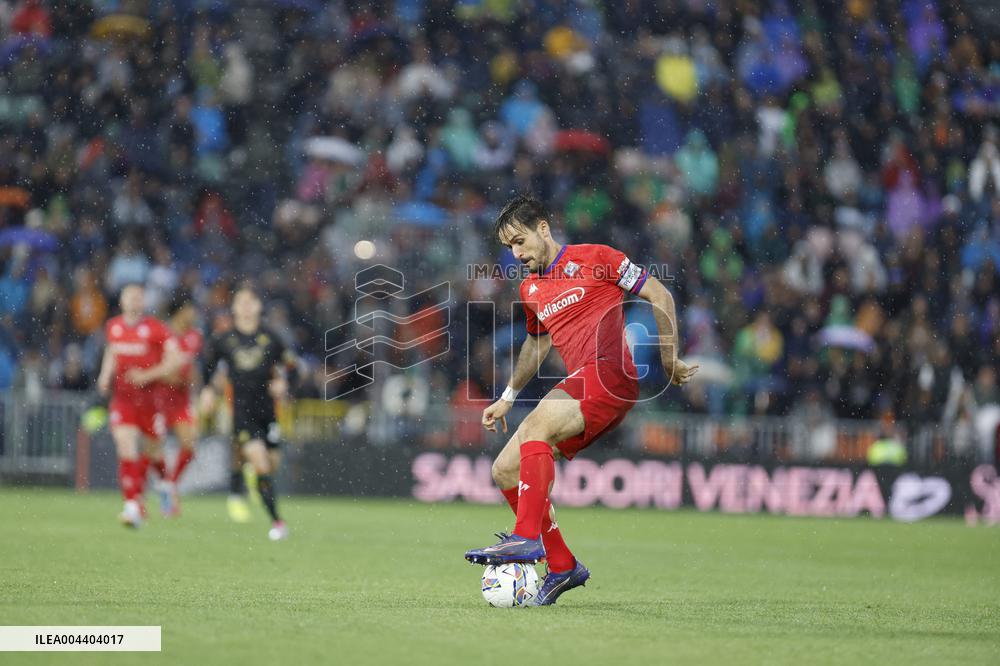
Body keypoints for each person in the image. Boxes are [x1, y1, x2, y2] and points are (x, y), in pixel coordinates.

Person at [464, 194, 699, 605]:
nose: (516, 254)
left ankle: (525, 538)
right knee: (503, 470)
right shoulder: (531, 288)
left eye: (520, 242)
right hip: (582, 381)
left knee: (537, 427)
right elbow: (536, 345)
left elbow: (660, 295)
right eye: (509, 248)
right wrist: (507, 396)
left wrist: (669, 359)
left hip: (611, 374)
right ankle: (562, 565)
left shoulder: (597, 257)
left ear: (543, 228)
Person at [199, 287, 297, 541]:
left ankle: (254, 477)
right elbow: (208, 368)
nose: (244, 306)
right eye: (239, 302)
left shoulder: (271, 338)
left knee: (271, 464)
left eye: (249, 302)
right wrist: (208, 391)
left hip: (268, 411)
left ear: (257, 307)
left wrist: (285, 385)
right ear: (233, 308)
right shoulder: (224, 340)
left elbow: (293, 367)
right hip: (242, 411)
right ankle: (277, 521)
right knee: (261, 462)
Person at [96, 284, 183, 528]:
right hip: (123, 400)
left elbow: (176, 360)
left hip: (151, 402)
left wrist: (147, 375)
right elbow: (112, 351)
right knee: (126, 446)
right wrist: (105, 376)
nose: (134, 301)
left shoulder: (156, 329)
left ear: (144, 302)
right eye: (130, 296)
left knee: (153, 451)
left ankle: (165, 483)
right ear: (122, 300)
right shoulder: (113, 326)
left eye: (139, 297)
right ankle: (132, 505)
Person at [148, 294, 203, 516]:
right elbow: (155, 366)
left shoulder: (194, 336)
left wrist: (195, 385)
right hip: (159, 398)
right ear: (181, 310)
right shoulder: (162, 333)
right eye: (191, 309)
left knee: (189, 445)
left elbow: (193, 366)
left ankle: (168, 485)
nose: (194, 314)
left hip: (181, 399)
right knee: (153, 450)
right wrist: (172, 376)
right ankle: (165, 489)